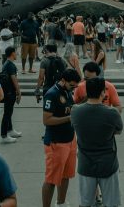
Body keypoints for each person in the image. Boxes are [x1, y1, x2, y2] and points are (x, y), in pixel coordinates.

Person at [71, 75, 124, 207]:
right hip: (108, 164)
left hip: (85, 164)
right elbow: (118, 130)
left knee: (85, 203)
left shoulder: (76, 111)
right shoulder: (112, 113)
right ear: (103, 93)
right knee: (111, 203)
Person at [42, 68, 81, 207]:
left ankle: (61, 202)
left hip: (70, 140)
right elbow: (47, 120)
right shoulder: (52, 94)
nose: (74, 88)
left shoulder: (67, 91)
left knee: (66, 175)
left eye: (75, 86)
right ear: (63, 80)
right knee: (52, 179)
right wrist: (69, 118)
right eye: (72, 85)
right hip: (56, 142)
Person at [0, 47, 23, 144]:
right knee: (7, 113)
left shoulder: (6, 63)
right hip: (9, 92)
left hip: (7, 92)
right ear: (12, 53)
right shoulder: (11, 65)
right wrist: (19, 92)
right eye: (16, 52)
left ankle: (10, 130)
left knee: (9, 112)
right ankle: (4, 135)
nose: (17, 54)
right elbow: (14, 79)